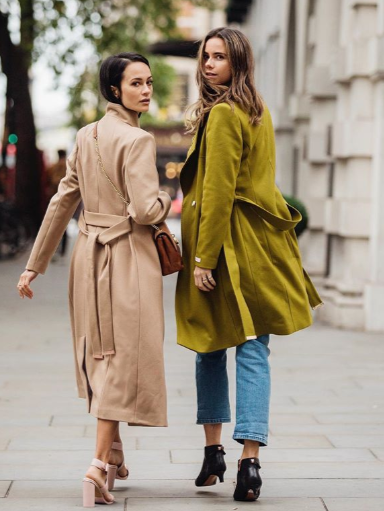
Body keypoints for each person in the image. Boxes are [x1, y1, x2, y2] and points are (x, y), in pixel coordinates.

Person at [17, 53, 171, 507]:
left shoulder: (85, 136)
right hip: (127, 260)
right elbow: (144, 211)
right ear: (114, 91)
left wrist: (35, 264)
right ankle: (98, 466)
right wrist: (164, 197)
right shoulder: (138, 140)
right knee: (124, 358)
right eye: (136, 83)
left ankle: (116, 451)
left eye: (148, 82)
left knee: (102, 354)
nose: (146, 90)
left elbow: (62, 202)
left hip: (87, 258)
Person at [175, 27, 323, 502]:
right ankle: (250, 461)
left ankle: (215, 451)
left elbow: (217, 193)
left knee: (209, 346)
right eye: (206, 57)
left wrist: (202, 260)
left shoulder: (221, 115)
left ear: (239, 62)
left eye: (220, 57)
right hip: (259, 248)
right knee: (254, 351)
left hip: (224, 249)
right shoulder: (259, 112)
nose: (209, 64)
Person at [46, 149, 69, 257]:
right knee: (64, 224)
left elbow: (49, 180)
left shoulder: (53, 167)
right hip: (66, 198)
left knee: (55, 223)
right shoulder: (68, 166)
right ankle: (62, 249)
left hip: (54, 197)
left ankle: (55, 248)